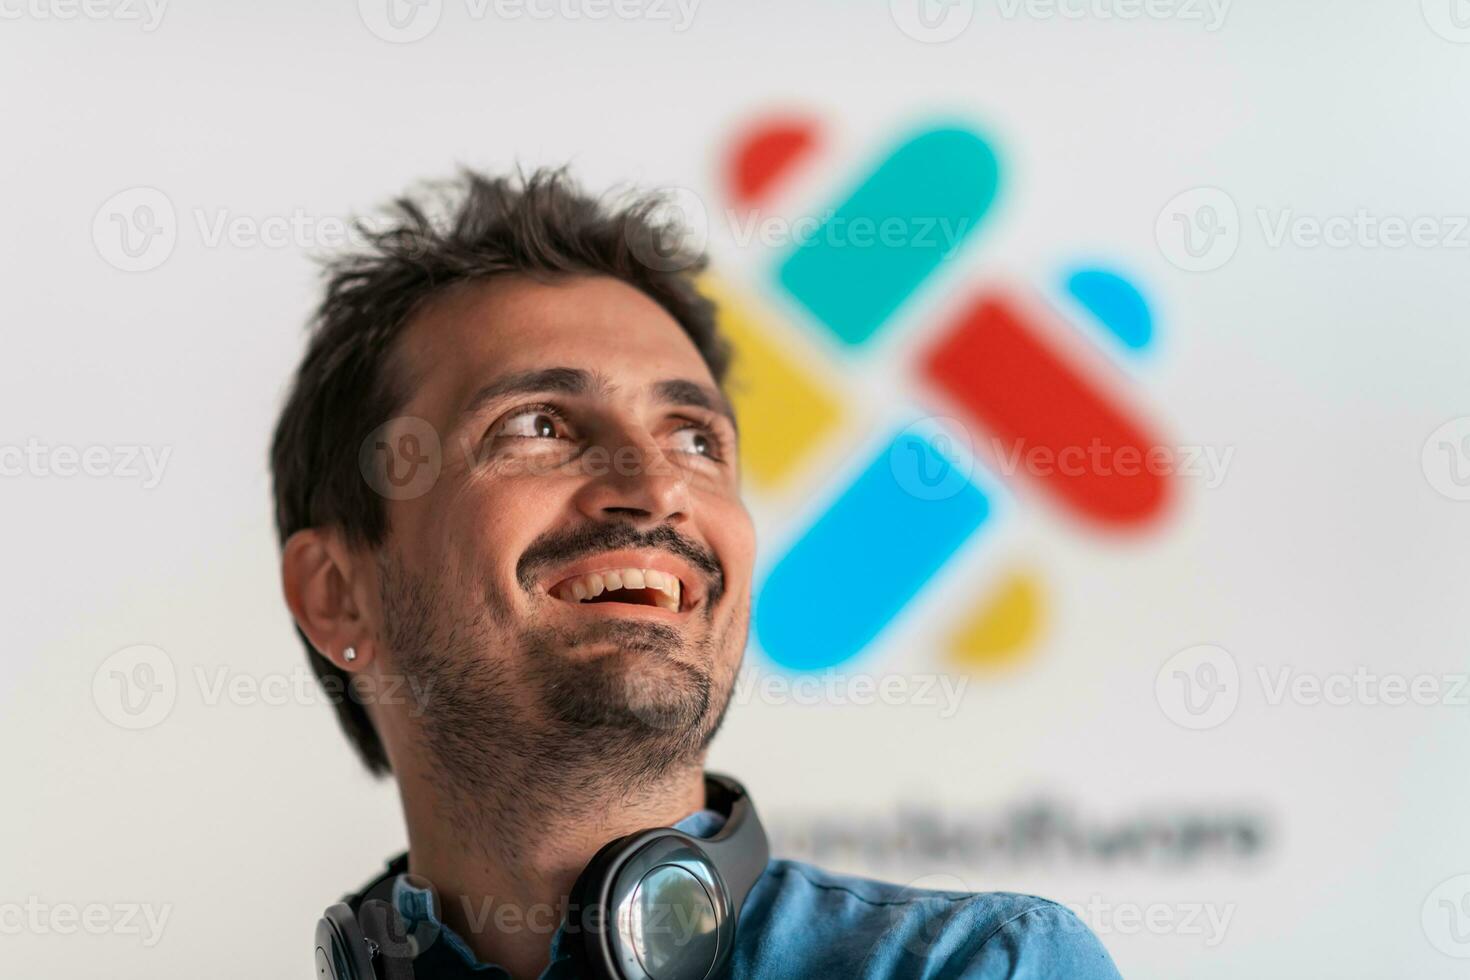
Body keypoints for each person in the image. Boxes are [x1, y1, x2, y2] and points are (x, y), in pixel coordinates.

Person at [271, 168, 1122, 979]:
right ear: (338, 595)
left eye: (694, 439)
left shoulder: (974, 968)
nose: (657, 487)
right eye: (537, 425)